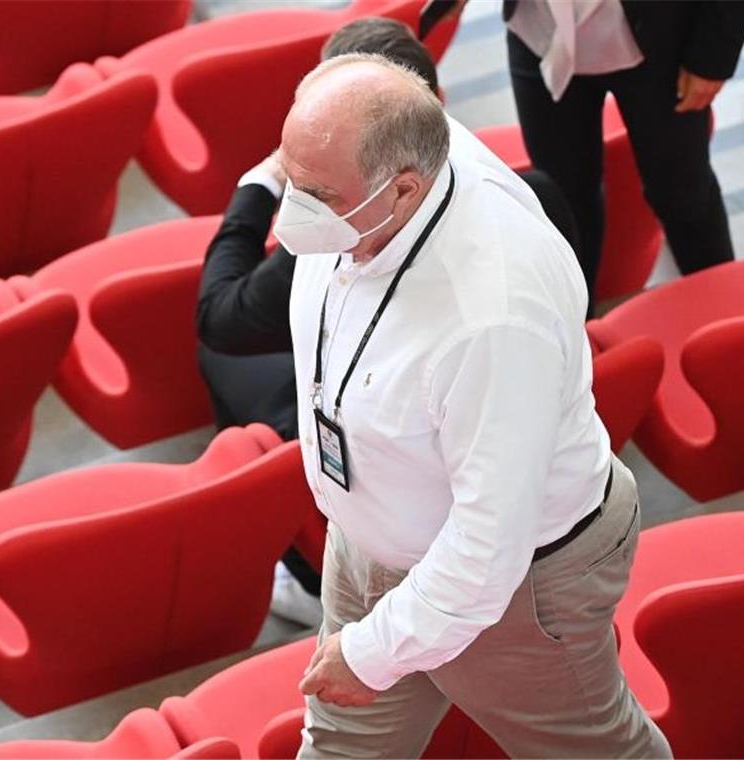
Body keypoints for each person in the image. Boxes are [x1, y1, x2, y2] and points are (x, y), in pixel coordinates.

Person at [279, 54, 669, 758]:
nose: (289, 217)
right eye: (288, 180)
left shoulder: (491, 320)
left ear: (402, 190)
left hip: (518, 590)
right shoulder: (377, 150)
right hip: (371, 545)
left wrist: (372, 652)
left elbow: (490, 545)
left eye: (318, 197)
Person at [195, 18, 579, 628]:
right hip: (400, 527)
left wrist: (261, 181)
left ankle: (300, 573)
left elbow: (218, 317)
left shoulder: (339, 246)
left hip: (450, 558)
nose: (304, 205)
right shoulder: (535, 195)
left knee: (219, 356)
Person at [425, 0, 744, 311]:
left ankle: (727, 324)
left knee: (682, 195)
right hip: (540, 30)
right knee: (562, 202)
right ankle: (582, 343)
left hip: (663, 31)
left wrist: (714, 55)